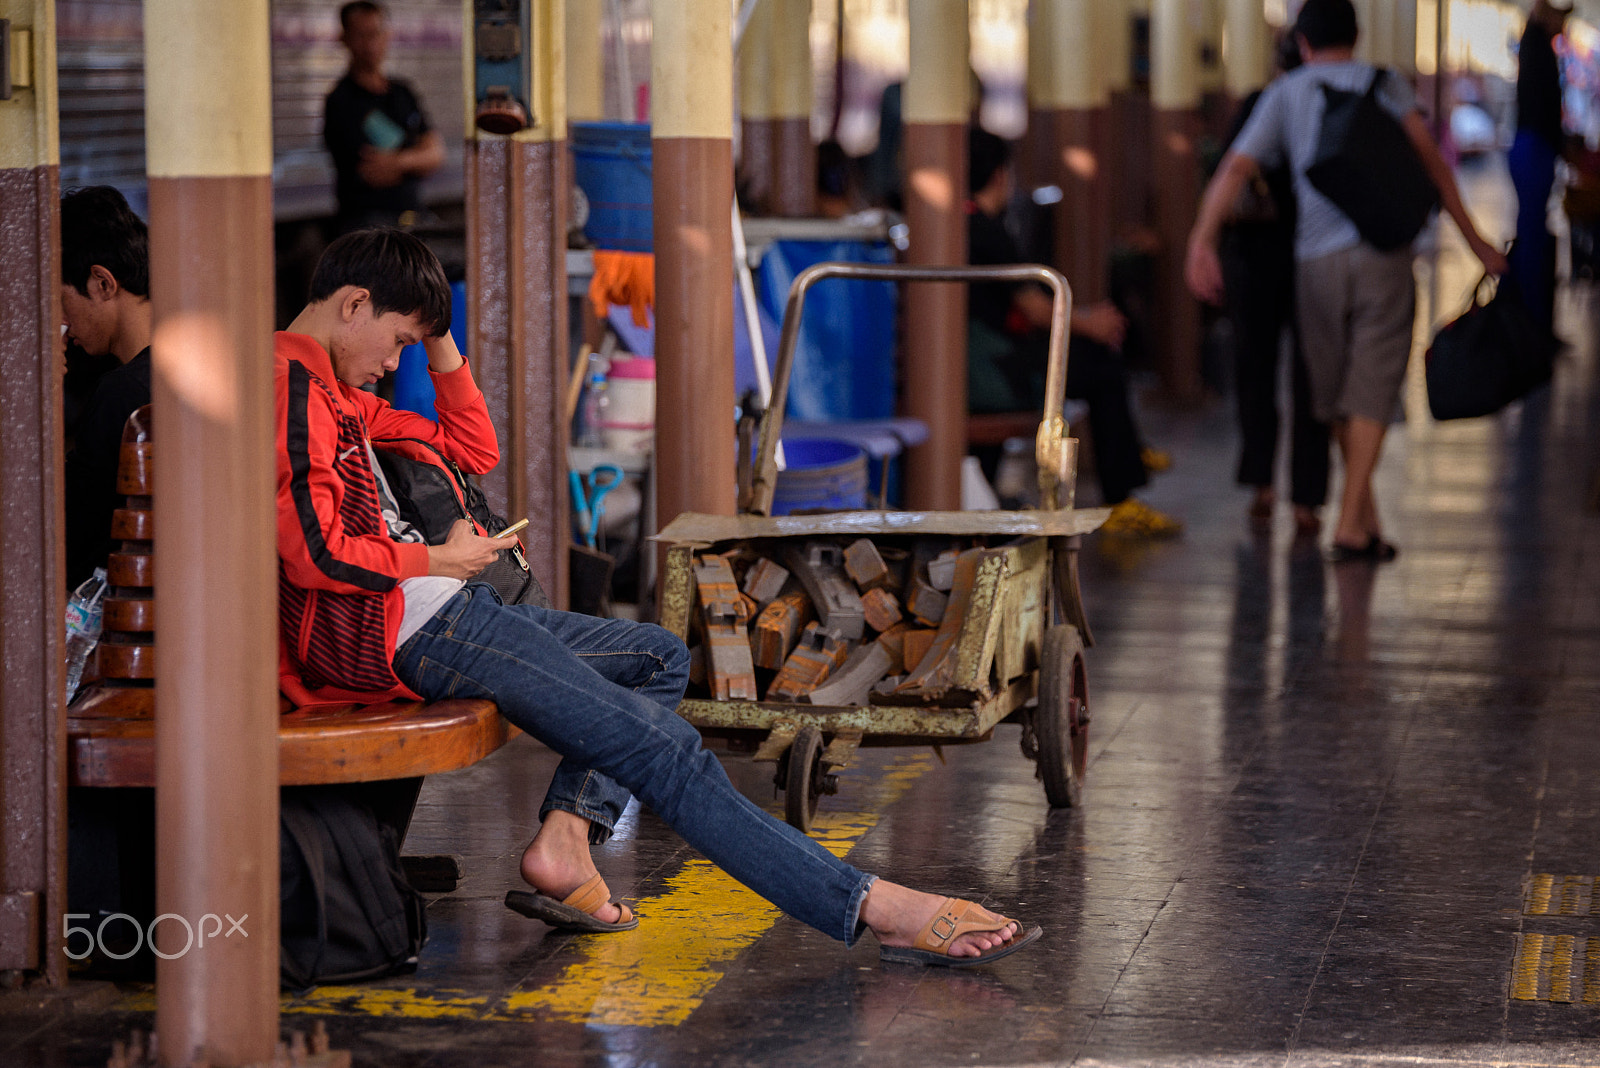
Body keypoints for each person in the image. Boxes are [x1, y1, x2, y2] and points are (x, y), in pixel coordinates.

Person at [274, 228, 1041, 967]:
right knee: (665, 752)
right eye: (400, 339)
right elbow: (310, 553)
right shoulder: (295, 388)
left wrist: (438, 332)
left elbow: (470, 449)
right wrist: (438, 555)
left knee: (655, 655)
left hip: (442, 612)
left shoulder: (332, 392)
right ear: (353, 304)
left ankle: (565, 839)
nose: (394, 360)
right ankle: (877, 908)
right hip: (419, 625)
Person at [1186, 0, 1508, 563]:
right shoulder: (1385, 83)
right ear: (1357, 38)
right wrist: (1477, 241)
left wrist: (1201, 241)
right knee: (1373, 385)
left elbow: (1235, 167)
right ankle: (1355, 521)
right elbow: (1433, 162)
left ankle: (1359, 519)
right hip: (1384, 254)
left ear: (1303, 43)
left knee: (1336, 392)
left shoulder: (1286, 93)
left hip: (1317, 263)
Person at [966, 129, 1182, 537]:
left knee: (1095, 360)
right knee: (1102, 366)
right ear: (1000, 175)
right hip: (994, 374)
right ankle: (1121, 498)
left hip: (985, 362)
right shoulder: (986, 231)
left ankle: (1128, 459)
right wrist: (1090, 322)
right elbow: (1033, 306)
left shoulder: (965, 224)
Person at [1218, 34, 1330, 534]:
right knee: (1311, 378)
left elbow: (1226, 173)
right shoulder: (1323, 105)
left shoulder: (1257, 105)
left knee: (1255, 371)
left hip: (1254, 257)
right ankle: (1307, 497)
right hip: (1308, 253)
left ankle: (1262, 482)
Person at [59, 186, 153, 589]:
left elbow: (61, 546)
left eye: (59, 302)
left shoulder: (121, 396)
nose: (60, 326)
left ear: (102, 283)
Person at [323, 0, 444, 233]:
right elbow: (373, 171)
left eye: (375, 34)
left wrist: (399, 161)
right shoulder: (341, 101)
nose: (370, 45)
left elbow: (436, 155)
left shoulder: (403, 93)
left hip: (413, 217)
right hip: (365, 225)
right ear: (344, 39)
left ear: (387, 35)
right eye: (361, 35)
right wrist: (415, 156)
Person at [1508, 0, 1572, 338]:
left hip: (1531, 146)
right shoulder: (1536, 47)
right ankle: (1531, 324)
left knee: (1532, 231)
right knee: (1533, 236)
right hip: (1534, 147)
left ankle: (1531, 321)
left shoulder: (1536, 45)